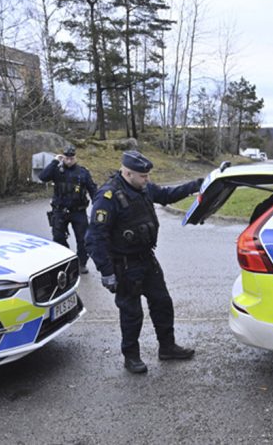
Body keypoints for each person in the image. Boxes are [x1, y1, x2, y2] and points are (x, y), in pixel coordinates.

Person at [85, 150, 203, 374]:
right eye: (143, 176)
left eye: (147, 175)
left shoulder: (142, 188)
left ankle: (167, 347)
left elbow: (167, 195)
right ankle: (131, 357)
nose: (147, 179)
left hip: (147, 259)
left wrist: (197, 184)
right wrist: (106, 272)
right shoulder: (108, 197)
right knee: (131, 313)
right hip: (124, 265)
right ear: (128, 173)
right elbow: (94, 238)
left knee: (162, 303)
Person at [38, 144, 97, 274]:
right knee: (58, 237)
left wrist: (98, 208)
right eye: (66, 158)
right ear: (63, 157)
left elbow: (93, 190)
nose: (69, 161)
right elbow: (42, 177)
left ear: (75, 158)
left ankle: (81, 263)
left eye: (71, 158)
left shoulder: (83, 172)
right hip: (60, 210)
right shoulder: (56, 170)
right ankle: (67, 261)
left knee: (84, 239)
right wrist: (55, 161)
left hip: (78, 211)